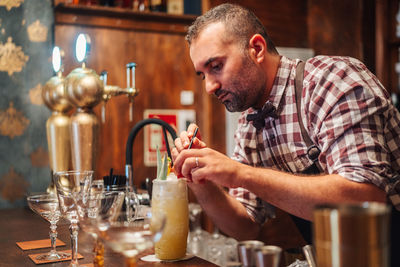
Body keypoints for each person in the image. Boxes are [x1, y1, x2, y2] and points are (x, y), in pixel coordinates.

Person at [171, 3, 400, 265]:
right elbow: (245, 227)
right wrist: (201, 180)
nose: (210, 87)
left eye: (216, 66)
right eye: (203, 75)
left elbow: (365, 198)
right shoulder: (250, 124)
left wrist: (238, 173)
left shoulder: (331, 81)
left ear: (256, 49)